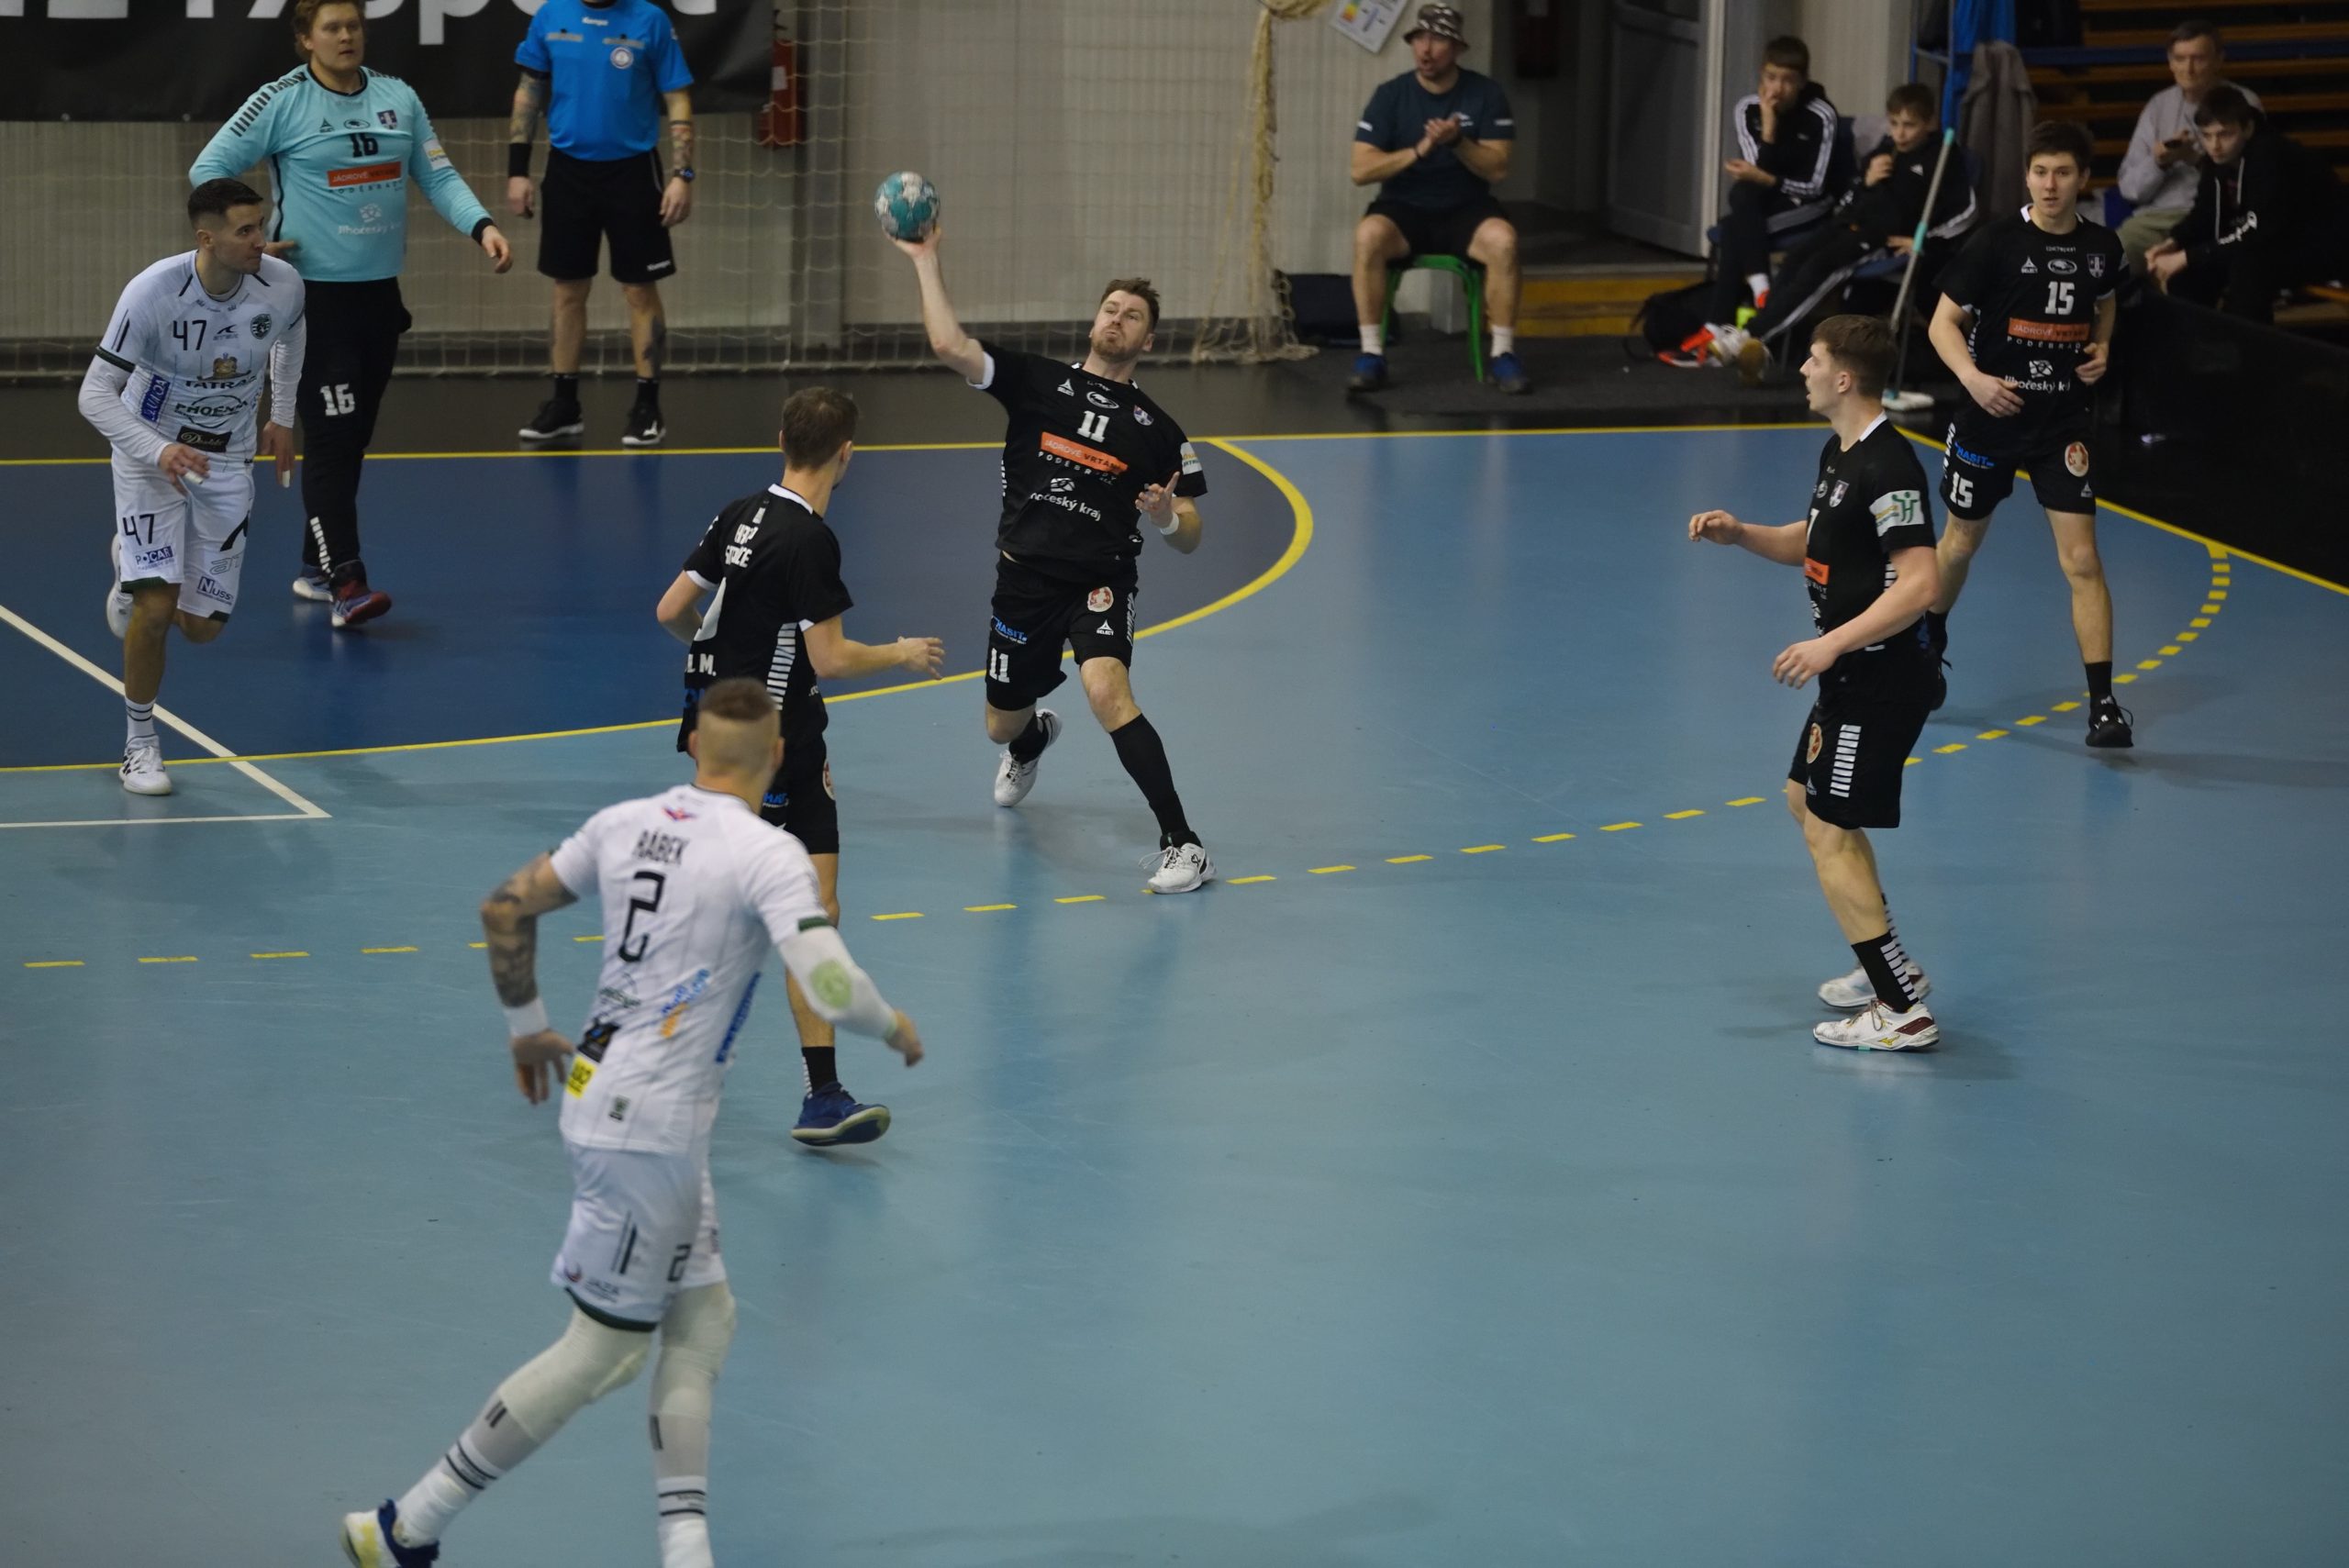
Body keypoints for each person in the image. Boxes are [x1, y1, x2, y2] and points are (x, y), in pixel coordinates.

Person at [338, 678, 925, 1568]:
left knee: (705, 1321)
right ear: (775, 758)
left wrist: (526, 1024)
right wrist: (895, 1026)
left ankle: (685, 1547)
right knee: (601, 1352)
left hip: (614, 1100)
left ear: (695, 746)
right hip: (647, 1130)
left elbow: (505, 906)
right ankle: (404, 1527)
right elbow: (832, 985)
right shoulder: (768, 851)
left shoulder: (624, 823)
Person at [653, 388, 944, 1147]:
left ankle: (822, 1095)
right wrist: (902, 652)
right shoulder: (810, 540)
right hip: (768, 747)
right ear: (847, 454)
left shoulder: (740, 513)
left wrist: (717, 666)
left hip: (763, 738)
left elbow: (672, 610)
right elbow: (832, 657)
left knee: (813, 912)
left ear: (782, 439)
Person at [893, 230, 1217, 894]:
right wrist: (925, 259)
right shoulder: (1037, 381)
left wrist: (1164, 516)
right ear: (1093, 322)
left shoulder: (1159, 430)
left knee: (1107, 691)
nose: (1118, 319)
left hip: (1100, 581)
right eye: (1111, 309)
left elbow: (1191, 534)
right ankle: (1031, 740)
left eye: (1133, 315)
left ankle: (1184, 843)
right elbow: (949, 346)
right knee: (999, 725)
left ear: (1148, 340)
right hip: (1023, 581)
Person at [191, 0, 510, 631]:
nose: (346, 36)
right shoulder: (281, 100)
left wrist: (483, 226)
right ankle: (347, 581)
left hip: (378, 298)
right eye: (332, 28)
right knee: (334, 442)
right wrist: (250, 239)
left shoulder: (398, 97)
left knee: (352, 437)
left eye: (354, 26)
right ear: (306, 39)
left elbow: (438, 176)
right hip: (312, 300)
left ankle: (315, 566)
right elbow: (209, 172)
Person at [1687, 315, 1942, 1051]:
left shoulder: (1890, 467)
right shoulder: (1841, 453)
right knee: (1803, 799)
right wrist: (1742, 534)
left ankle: (1901, 1009)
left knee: (1831, 829)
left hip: (1880, 675)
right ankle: (1890, 963)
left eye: (1815, 359)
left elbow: (1921, 582)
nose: (1802, 369)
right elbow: (1815, 538)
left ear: (1845, 378)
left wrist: (1829, 644)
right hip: (1852, 673)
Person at [78, 180, 304, 797]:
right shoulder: (153, 293)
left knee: (201, 627)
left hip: (228, 461)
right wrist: (158, 449)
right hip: (150, 453)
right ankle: (140, 744)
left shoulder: (282, 284)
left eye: (260, 225)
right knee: (155, 608)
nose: (260, 240)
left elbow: (291, 336)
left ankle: (129, 558)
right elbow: (94, 395)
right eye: (245, 230)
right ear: (206, 237)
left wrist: (282, 415)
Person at [1926, 119, 2132, 749]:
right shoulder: (1996, 242)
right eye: (2040, 172)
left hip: (2060, 425)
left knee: (2083, 559)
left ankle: (2104, 705)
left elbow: (2105, 300)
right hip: (1989, 420)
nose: (2050, 184)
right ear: (2027, 177)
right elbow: (1941, 324)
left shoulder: (2102, 247)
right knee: (1960, 543)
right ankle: (1928, 640)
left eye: (2063, 173)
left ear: (2082, 178)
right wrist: (1975, 380)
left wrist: (2101, 347)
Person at [507, 0, 695, 449]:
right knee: (567, 290)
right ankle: (564, 405)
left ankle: (647, 407)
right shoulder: (551, 16)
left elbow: (677, 97)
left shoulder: (650, 20)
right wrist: (517, 170)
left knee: (639, 290)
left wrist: (682, 174)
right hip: (567, 171)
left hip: (634, 173)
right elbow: (529, 91)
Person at [1709, 83, 1977, 383]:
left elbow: (1965, 212)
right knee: (1795, 260)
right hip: (1847, 224)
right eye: (1894, 123)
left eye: (1909, 125)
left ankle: (1750, 336)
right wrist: (1867, 179)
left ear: (1929, 123)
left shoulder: (1942, 156)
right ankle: (1762, 344)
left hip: (1880, 239)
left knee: (1818, 268)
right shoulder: (1886, 149)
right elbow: (1853, 195)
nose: (1900, 133)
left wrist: (1923, 240)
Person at [1347, 3, 1527, 395]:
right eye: (1420, 39)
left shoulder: (1486, 94)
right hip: (1404, 209)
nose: (1426, 50)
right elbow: (1360, 170)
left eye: (1438, 40)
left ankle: (1503, 354)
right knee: (1368, 236)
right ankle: (1371, 354)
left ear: (1458, 48)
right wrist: (1418, 151)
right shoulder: (1391, 95)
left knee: (1504, 241)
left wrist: (1458, 141)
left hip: (1466, 209)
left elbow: (1498, 169)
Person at [1673, 35, 1843, 365]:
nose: (1777, 88)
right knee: (1741, 198)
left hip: (1811, 205)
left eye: (1787, 80)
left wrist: (1767, 179)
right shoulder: (1748, 109)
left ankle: (1716, 323)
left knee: (1734, 224)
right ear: (1761, 76)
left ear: (1802, 82)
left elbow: (1814, 186)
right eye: (1770, 77)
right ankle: (1761, 289)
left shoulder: (1821, 115)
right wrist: (1768, 128)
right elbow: (1755, 176)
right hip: (1766, 202)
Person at [2146, 86, 2349, 324]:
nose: (2214, 145)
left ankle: (2246, 346)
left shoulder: (2270, 156)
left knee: (2248, 266)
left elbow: (2259, 231)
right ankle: (2200, 342)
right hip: (2276, 244)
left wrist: (2187, 257)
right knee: (2186, 275)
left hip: (2325, 245)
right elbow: (2204, 214)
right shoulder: (2217, 160)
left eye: (2225, 135)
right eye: (2207, 136)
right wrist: (2174, 243)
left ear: (2248, 128)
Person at [2114, 21, 2260, 274]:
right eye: (2180, 59)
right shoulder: (2158, 106)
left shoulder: (2244, 103)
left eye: (2198, 59)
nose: (2188, 69)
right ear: (2170, 62)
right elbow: (2130, 190)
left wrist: (2198, 160)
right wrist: (2158, 162)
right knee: (2111, 258)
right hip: (2158, 218)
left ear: (2218, 60)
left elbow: (2256, 181)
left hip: (2221, 219)